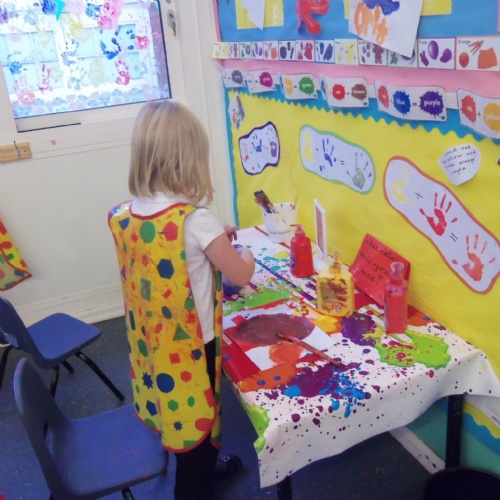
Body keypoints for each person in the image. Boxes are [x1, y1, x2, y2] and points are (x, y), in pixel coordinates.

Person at [108, 100, 255, 500]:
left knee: (179, 415)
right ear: (189, 160)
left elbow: (165, 256)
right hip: (192, 348)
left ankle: (203, 470)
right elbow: (241, 275)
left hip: (152, 344)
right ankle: (194, 489)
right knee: (199, 425)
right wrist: (243, 252)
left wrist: (213, 240)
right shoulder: (196, 220)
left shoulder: (125, 214)